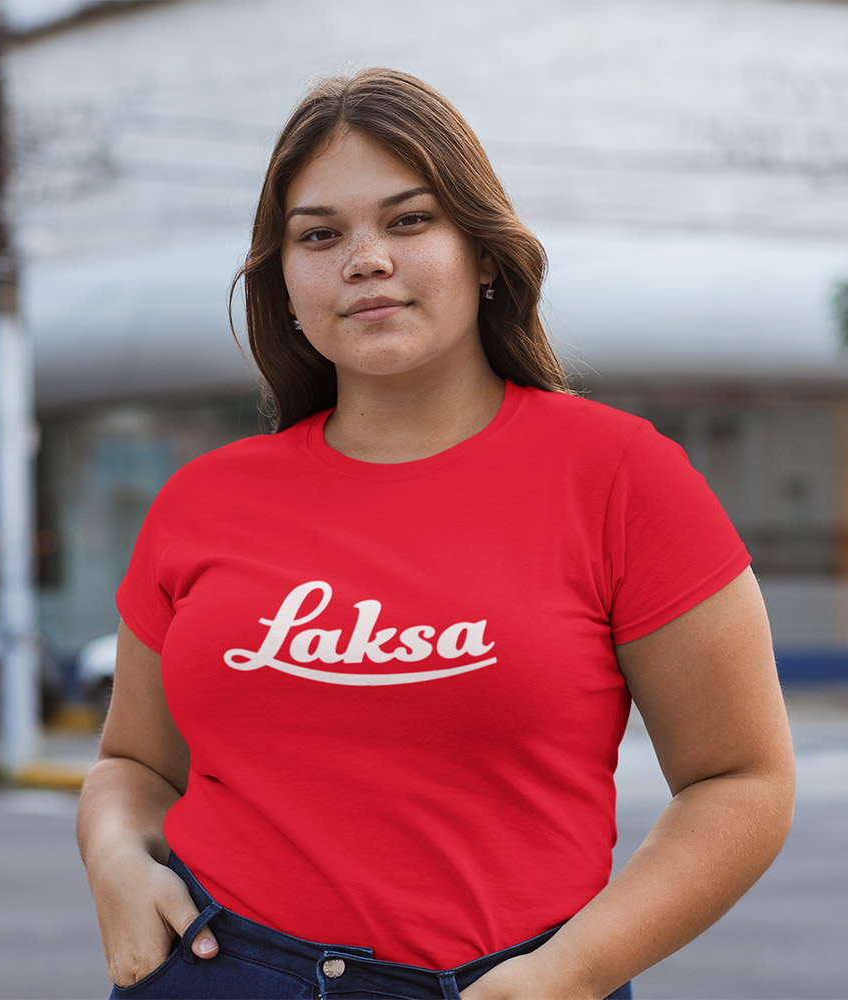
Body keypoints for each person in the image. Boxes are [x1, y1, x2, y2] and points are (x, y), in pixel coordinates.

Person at [77, 68, 795, 1000]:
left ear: (485, 253)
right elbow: (133, 764)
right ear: (285, 280)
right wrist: (112, 856)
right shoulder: (201, 500)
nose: (363, 259)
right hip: (225, 971)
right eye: (319, 234)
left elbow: (741, 779)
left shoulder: (621, 478)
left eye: (409, 221)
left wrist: (573, 975)